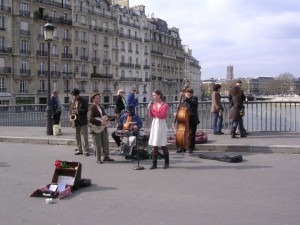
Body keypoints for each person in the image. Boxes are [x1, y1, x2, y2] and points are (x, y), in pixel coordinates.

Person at [88, 92, 114, 163]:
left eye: (99, 98)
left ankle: (106, 156)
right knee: (97, 144)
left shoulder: (101, 107)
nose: (99, 99)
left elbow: (105, 116)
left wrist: (113, 118)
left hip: (103, 128)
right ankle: (98, 159)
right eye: (97, 98)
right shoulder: (91, 107)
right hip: (96, 128)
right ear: (93, 99)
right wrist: (100, 122)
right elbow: (90, 119)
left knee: (106, 142)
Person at [148, 90, 169, 169]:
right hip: (155, 123)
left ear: (159, 95)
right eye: (152, 95)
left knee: (163, 144)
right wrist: (150, 109)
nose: (153, 97)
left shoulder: (165, 105)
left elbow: (162, 116)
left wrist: (152, 110)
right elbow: (151, 115)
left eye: (154, 95)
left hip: (161, 124)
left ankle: (166, 162)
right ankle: (154, 163)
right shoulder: (154, 104)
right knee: (155, 144)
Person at [176, 88, 200, 154]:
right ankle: (182, 147)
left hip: (192, 119)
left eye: (190, 92)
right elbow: (182, 109)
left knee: (192, 134)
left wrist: (185, 98)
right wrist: (177, 113)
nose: (188, 94)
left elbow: (193, 104)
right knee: (183, 134)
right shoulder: (184, 101)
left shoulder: (194, 98)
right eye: (187, 92)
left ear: (192, 93)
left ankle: (190, 148)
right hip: (185, 119)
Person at [70, 88, 89, 156]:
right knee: (77, 136)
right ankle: (79, 149)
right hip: (76, 121)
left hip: (83, 120)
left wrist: (78, 111)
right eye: (73, 96)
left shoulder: (84, 100)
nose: (74, 97)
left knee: (84, 136)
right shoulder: (73, 101)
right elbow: (71, 110)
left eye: (75, 95)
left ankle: (86, 150)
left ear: (78, 95)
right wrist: (72, 119)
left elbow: (86, 110)